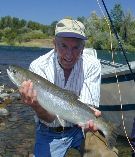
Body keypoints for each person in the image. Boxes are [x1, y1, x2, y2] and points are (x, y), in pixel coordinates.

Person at [19, 18, 118, 157]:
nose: (69, 55)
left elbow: (88, 107)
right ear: (54, 44)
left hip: (82, 131)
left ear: (83, 47)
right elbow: (48, 118)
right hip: (49, 131)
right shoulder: (37, 67)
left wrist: (94, 121)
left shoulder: (92, 65)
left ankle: (108, 132)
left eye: (76, 47)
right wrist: (36, 105)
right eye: (63, 46)